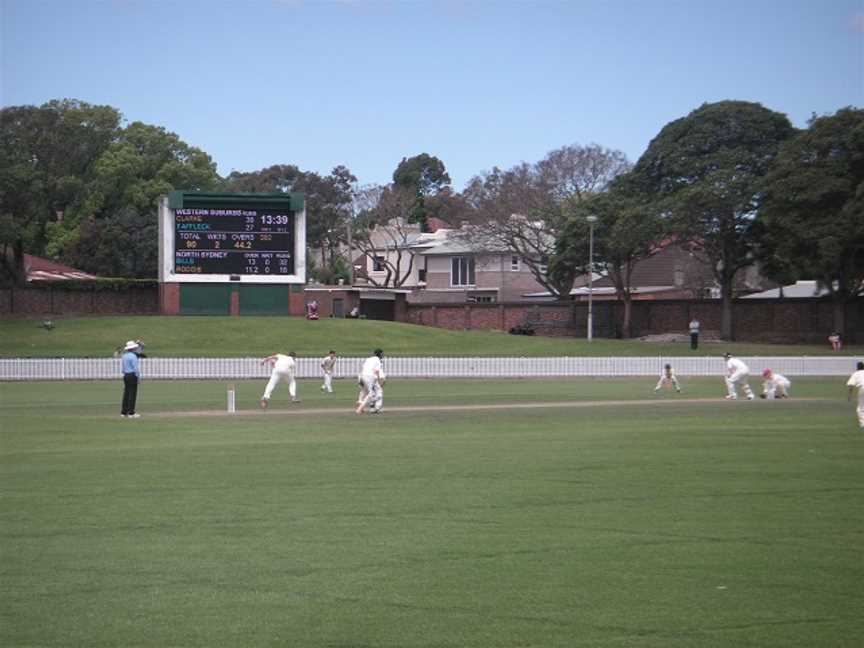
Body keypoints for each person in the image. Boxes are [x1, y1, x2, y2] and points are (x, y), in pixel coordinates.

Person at [356, 348, 385, 414]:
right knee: (372, 394)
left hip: (363, 375)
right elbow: (377, 371)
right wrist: (378, 379)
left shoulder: (368, 359)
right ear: (379, 354)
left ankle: (372, 406)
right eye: (382, 354)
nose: (382, 355)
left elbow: (364, 367)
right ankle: (360, 408)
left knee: (370, 392)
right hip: (370, 376)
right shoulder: (378, 360)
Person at [120, 340, 142, 418]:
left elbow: (123, 368)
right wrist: (138, 377)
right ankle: (131, 412)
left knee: (126, 393)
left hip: (126, 375)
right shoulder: (133, 356)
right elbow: (135, 368)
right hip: (132, 375)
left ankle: (124, 412)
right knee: (132, 394)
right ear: (133, 348)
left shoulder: (124, 356)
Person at [846, 361, 864, 429]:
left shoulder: (856, 374)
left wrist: (849, 396)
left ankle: (863, 424)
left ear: (857, 368)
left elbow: (851, 385)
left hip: (862, 389)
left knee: (860, 409)